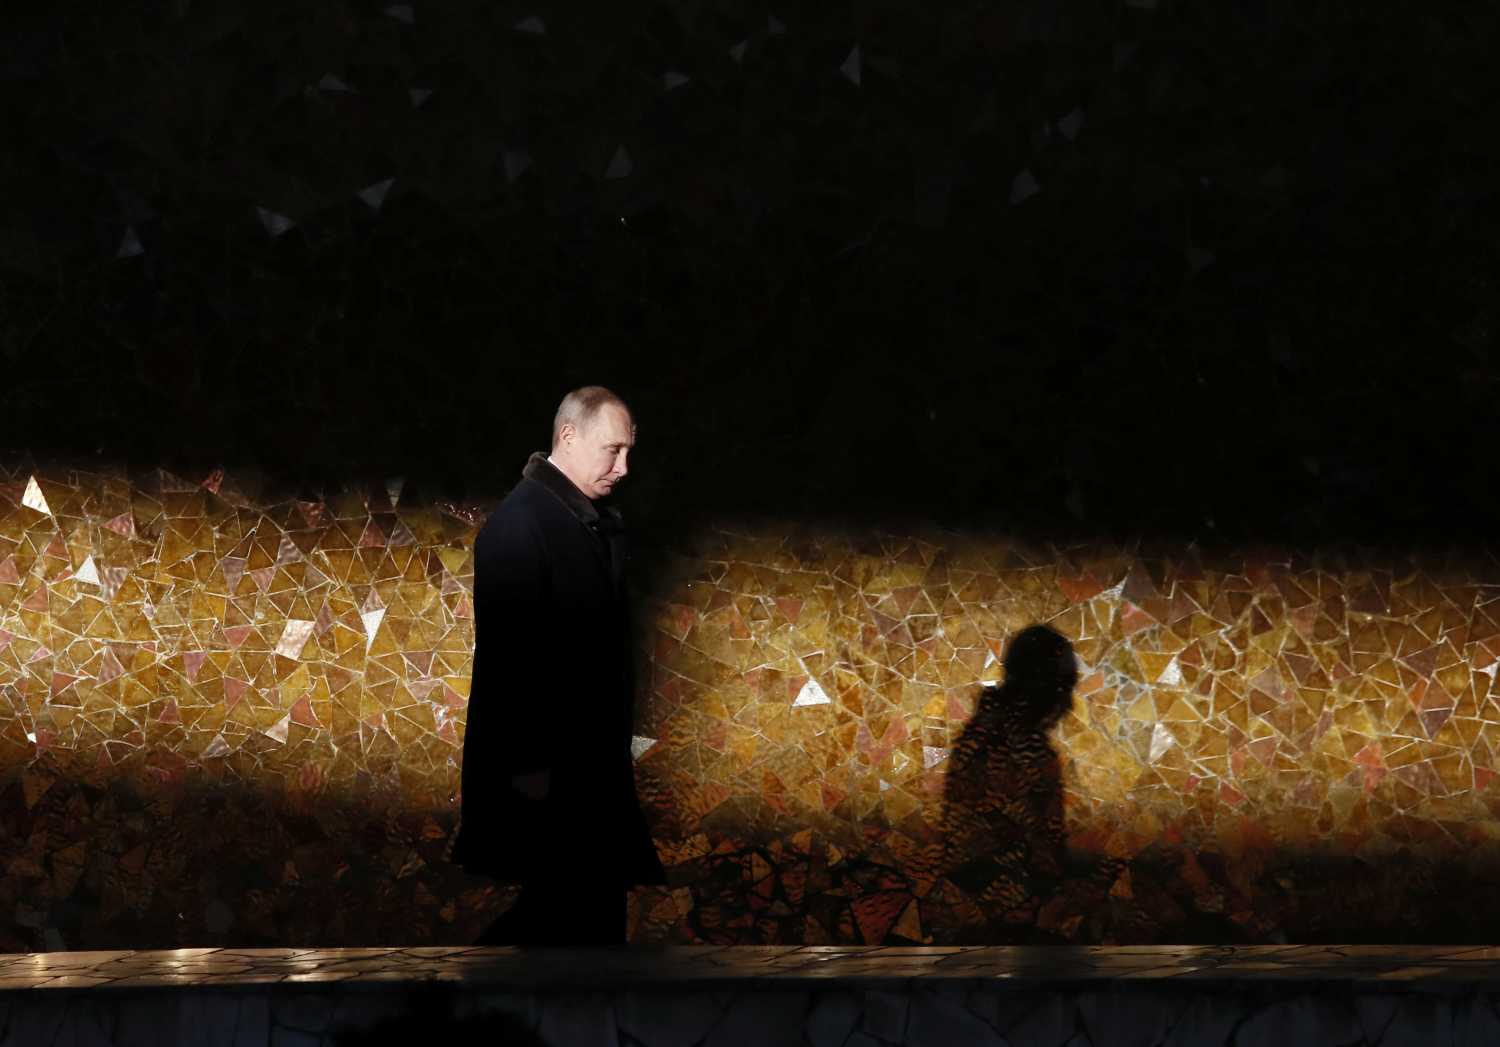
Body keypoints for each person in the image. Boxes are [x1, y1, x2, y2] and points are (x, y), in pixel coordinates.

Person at [451, 385, 666, 945]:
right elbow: (511, 657)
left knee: (582, 920)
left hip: (581, 770)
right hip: (552, 777)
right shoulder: (524, 525)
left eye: (629, 452)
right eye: (612, 450)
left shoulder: (580, 522)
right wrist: (529, 768)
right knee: (565, 925)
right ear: (568, 437)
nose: (624, 467)